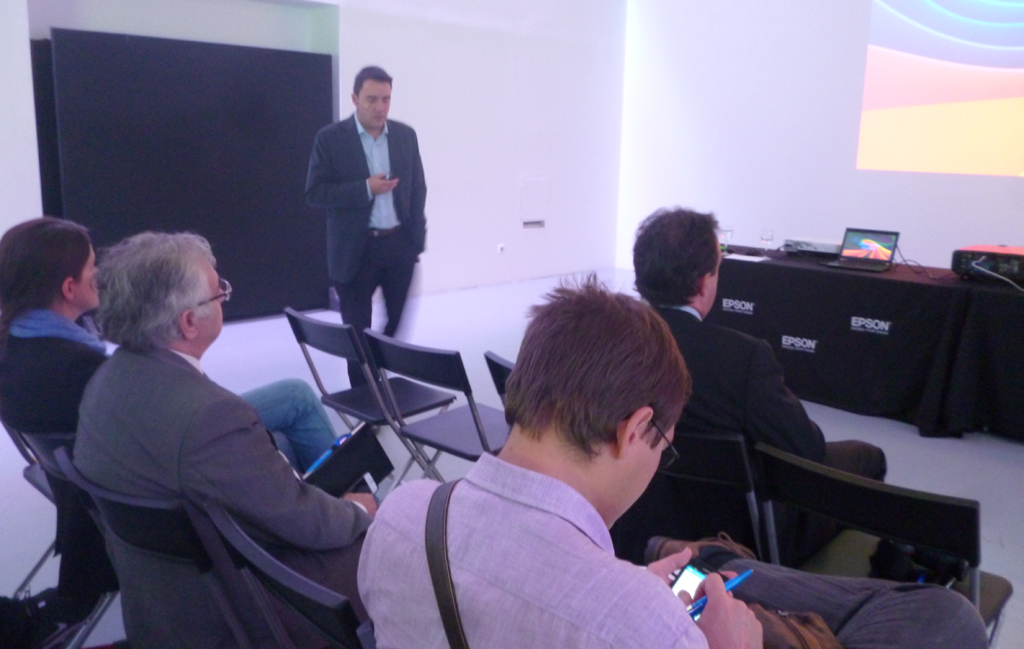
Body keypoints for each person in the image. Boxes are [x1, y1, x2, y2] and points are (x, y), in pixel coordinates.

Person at [358, 278, 985, 649]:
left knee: (715, 565)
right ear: (635, 430)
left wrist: (624, 580)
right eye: (664, 445)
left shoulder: (401, 516)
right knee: (946, 619)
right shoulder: (641, 624)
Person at [73, 231, 376, 648]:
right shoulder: (209, 418)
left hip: (160, 605)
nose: (224, 300)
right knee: (401, 545)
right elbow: (303, 522)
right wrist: (359, 512)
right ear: (188, 322)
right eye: (220, 294)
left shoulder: (104, 383)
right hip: (241, 609)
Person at [613, 207, 887, 566]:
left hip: (641, 525)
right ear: (704, 283)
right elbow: (806, 450)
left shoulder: (612, 345)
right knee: (868, 457)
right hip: (743, 534)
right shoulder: (743, 358)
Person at [0, 217, 117, 646]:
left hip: (76, 496)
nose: (99, 275)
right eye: (92, 268)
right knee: (291, 401)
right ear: (70, 288)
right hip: (123, 512)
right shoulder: (81, 367)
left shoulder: (13, 347)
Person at [305, 65, 426, 386]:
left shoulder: (405, 136)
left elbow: (418, 188)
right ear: (355, 98)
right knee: (357, 337)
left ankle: (380, 371)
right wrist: (365, 188)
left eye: (386, 99)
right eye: (372, 99)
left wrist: (415, 241)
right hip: (355, 251)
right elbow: (315, 192)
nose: (380, 107)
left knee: (396, 325)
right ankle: (364, 399)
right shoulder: (330, 140)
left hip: (399, 246)